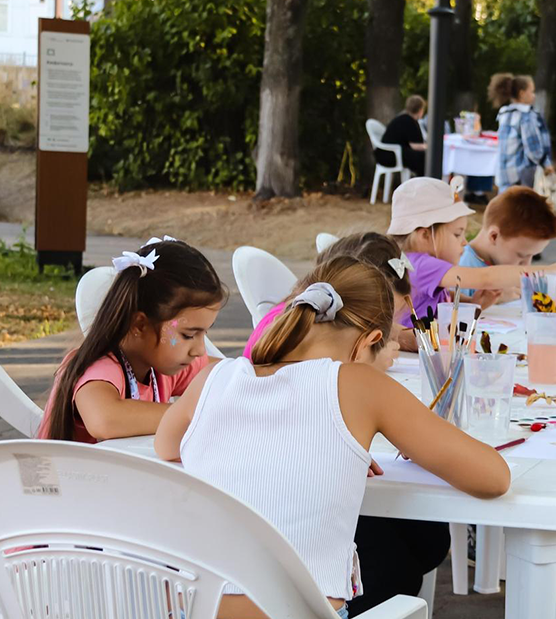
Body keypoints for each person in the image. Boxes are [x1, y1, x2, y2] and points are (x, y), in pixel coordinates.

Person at [157, 256, 511, 619]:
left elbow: (166, 446)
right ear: (370, 340)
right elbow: (494, 478)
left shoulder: (216, 377)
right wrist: (412, 442)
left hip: (189, 610)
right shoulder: (361, 384)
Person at [39, 238, 226, 443]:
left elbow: (224, 375)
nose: (199, 350)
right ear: (139, 325)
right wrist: (190, 414)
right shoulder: (100, 367)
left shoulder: (164, 366)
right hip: (66, 475)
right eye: (189, 335)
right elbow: (104, 420)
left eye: (204, 334)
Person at [387, 176, 556, 325]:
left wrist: (472, 303)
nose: (464, 242)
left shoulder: (422, 265)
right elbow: (486, 277)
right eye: (457, 234)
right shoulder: (418, 264)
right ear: (425, 236)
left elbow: (442, 305)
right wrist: (550, 271)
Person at [243, 232, 412, 359]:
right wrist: (373, 362)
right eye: (380, 318)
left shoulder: (310, 312)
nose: (386, 327)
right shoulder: (310, 332)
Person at [459, 186, 556, 299]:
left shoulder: (499, 261)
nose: (527, 264)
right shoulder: (462, 267)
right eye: (521, 255)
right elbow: (452, 313)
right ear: (494, 236)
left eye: (532, 256)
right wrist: (493, 301)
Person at [487, 73, 556, 190]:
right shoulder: (526, 117)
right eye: (532, 91)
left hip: (503, 173)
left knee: (505, 206)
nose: (534, 96)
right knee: (522, 206)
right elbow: (533, 148)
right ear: (522, 94)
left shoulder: (504, 113)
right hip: (520, 175)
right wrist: (546, 163)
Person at [375, 95, 428, 176]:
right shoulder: (408, 121)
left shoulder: (403, 118)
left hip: (385, 154)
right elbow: (414, 145)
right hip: (390, 155)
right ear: (420, 110)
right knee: (425, 158)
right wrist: (428, 147)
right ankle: (425, 184)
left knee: (421, 157)